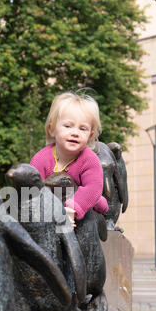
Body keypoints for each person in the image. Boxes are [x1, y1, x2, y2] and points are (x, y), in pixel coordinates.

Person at [30, 91, 108, 228]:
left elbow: (93, 187)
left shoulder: (89, 160)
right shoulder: (41, 159)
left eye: (82, 129)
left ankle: (98, 207)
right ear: (52, 129)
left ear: (90, 135)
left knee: (94, 201)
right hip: (52, 204)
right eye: (68, 126)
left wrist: (71, 210)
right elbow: (34, 189)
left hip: (80, 201)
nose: (75, 133)